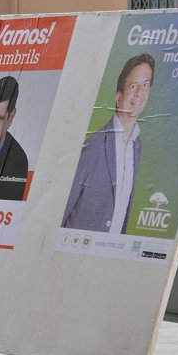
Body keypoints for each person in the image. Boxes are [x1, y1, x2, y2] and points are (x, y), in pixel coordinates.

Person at [61, 52, 155, 233]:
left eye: (146, 85)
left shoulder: (137, 145)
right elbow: (62, 213)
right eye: (134, 85)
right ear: (119, 97)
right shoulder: (91, 148)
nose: (140, 93)